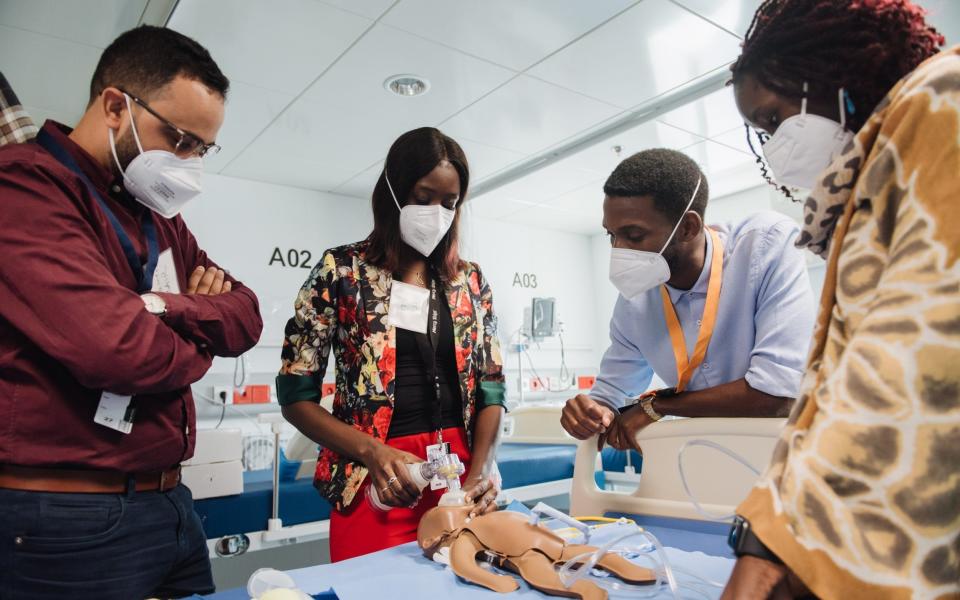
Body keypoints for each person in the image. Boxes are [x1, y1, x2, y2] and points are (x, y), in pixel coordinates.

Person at [0, 26, 262, 599]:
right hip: (70, 515)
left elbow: (246, 316)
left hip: (168, 503)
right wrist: (199, 331)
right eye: (179, 138)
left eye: (201, 149)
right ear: (115, 105)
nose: (189, 161)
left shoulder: (158, 217)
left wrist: (162, 307)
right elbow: (116, 349)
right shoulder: (26, 186)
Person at [722, 1, 958, 598]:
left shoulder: (941, 98)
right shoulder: (872, 180)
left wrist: (773, 551)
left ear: (833, 73)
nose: (774, 147)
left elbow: (912, 360)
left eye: (774, 120)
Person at [278, 127, 506, 562]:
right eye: (423, 197)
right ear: (393, 192)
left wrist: (479, 473)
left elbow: (493, 389)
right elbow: (295, 396)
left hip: (459, 476)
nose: (436, 212)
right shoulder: (342, 272)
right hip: (374, 476)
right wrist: (373, 452)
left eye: (449, 202)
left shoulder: (470, 281)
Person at [561, 148, 815, 451]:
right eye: (611, 236)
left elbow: (778, 394)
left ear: (688, 228)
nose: (619, 250)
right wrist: (589, 412)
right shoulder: (635, 302)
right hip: (705, 462)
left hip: (786, 456)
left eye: (634, 235)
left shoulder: (765, 247)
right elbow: (610, 394)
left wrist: (657, 406)